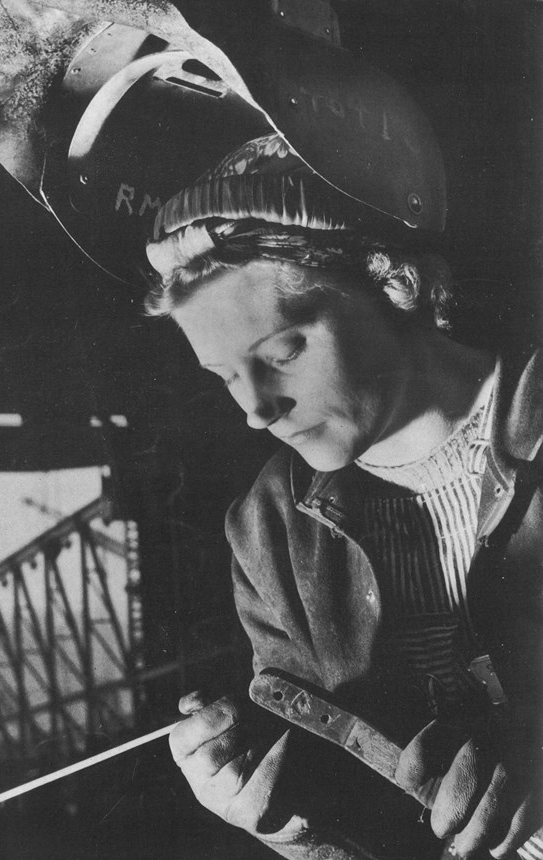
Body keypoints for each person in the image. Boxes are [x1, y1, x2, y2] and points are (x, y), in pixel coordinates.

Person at [144, 133, 543, 860]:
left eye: (281, 353)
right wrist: (287, 821)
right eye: (225, 376)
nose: (255, 410)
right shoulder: (267, 528)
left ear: (391, 280)